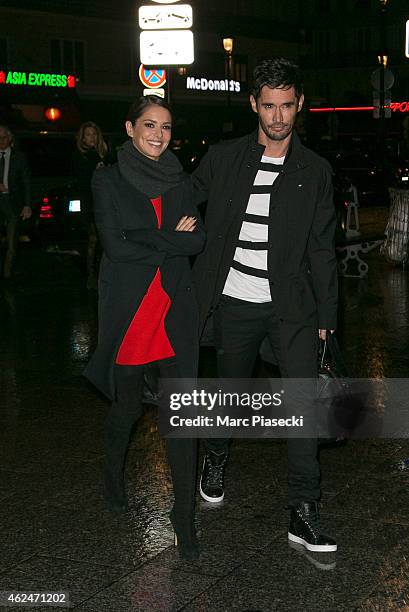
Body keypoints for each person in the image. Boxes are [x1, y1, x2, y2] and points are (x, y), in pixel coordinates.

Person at [192, 58, 338, 553]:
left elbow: (322, 248)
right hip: (234, 302)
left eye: (287, 106)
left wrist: (327, 319)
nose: (278, 117)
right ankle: (215, 453)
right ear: (254, 104)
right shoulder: (224, 158)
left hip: (292, 309)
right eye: (269, 106)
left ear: (300, 106)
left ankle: (303, 511)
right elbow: (183, 200)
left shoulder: (314, 171)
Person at [84, 95, 205, 560]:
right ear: (131, 127)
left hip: (173, 309)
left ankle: (184, 516)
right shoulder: (108, 180)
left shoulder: (179, 179)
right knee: (127, 405)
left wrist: (159, 241)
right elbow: (116, 248)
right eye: (150, 125)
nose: (159, 134)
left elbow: (199, 237)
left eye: (167, 127)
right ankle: (112, 475)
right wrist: (172, 240)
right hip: (132, 311)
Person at [72, 121, 110, 289]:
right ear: (82, 137)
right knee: (92, 239)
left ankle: (102, 274)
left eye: (94, 134)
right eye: (88, 135)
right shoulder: (80, 156)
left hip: (104, 202)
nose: (91, 138)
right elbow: (81, 180)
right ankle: (90, 275)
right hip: (89, 201)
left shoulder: (104, 154)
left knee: (105, 240)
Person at [0, 125, 31, 279]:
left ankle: (7, 275)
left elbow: (26, 182)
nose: (1, 141)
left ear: (10, 138)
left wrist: (27, 205)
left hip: (12, 202)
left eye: (4, 137)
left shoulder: (19, 157)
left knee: (12, 243)